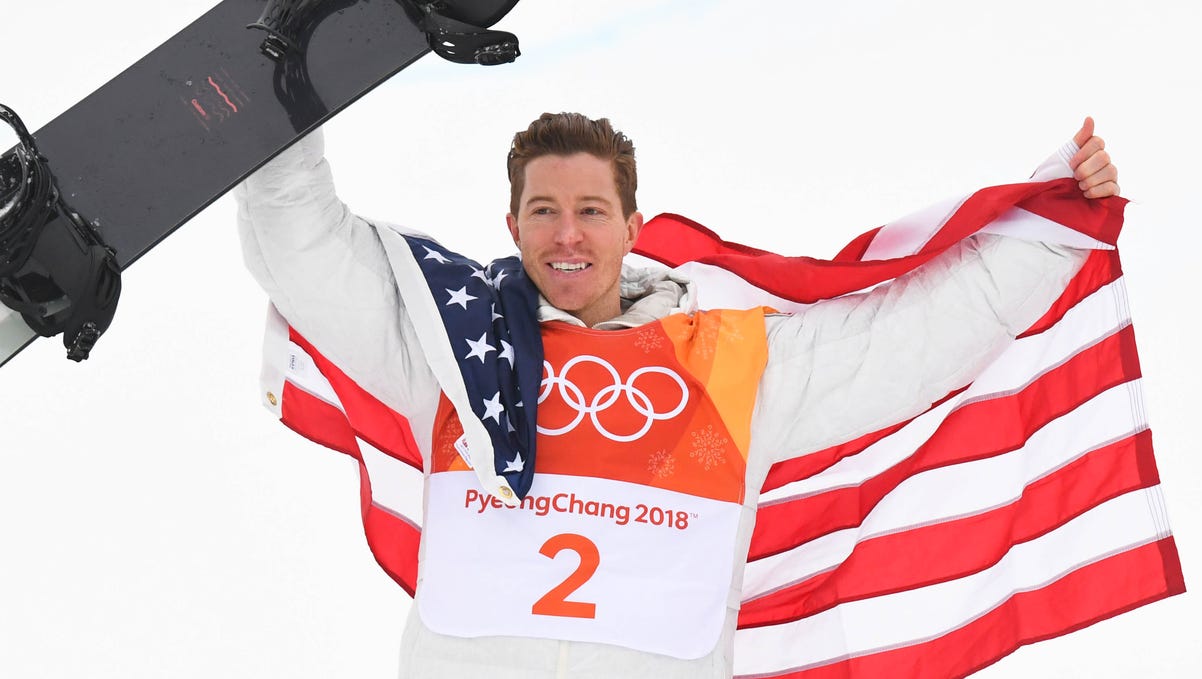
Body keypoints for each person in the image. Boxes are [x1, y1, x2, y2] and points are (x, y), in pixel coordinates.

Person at [236, 112, 1119, 678]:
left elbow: (914, 338)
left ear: (631, 223)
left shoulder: (731, 361)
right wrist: (277, 103)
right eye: (543, 210)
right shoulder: (449, 344)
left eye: (591, 209)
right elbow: (303, 250)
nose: (568, 233)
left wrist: (1052, 232)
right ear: (512, 227)